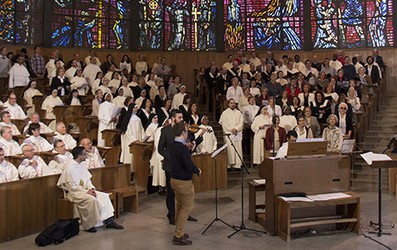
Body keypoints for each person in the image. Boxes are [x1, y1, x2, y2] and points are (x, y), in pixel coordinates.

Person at [57, 146, 123, 233]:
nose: (86, 156)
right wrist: (86, 192)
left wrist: (91, 188)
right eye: (84, 154)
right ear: (79, 156)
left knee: (104, 196)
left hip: (85, 190)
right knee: (91, 199)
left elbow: (87, 179)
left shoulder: (82, 164)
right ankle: (88, 225)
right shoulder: (69, 167)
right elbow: (71, 186)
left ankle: (109, 222)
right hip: (75, 193)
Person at [170, 122, 201, 246]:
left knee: (180, 206)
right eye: (187, 131)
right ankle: (178, 235)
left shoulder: (173, 145)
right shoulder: (182, 148)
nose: (187, 133)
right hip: (183, 181)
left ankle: (179, 231)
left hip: (174, 179)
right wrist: (197, 170)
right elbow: (188, 165)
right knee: (186, 208)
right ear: (183, 133)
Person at [158, 109, 184, 225]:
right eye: (179, 117)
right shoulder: (165, 131)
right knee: (171, 191)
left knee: (183, 191)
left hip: (182, 165)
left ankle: (184, 213)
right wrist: (171, 157)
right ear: (173, 118)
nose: (181, 119)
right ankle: (172, 214)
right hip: (170, 165)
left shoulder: (183, 129)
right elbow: (160, 148)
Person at [219, 99, 244, 170]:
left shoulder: (239, 113)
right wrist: (231, 130)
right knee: (229, 149)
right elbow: (224, 123)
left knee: (238, 148)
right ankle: (229, 165)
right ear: (228, 104)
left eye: (234, 103)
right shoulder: (225, 113)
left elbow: (241, 123)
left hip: (237, 133)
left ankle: (237, 165)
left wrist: (236, 129)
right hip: (228, 133)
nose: (232, 104)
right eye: (231, 103)